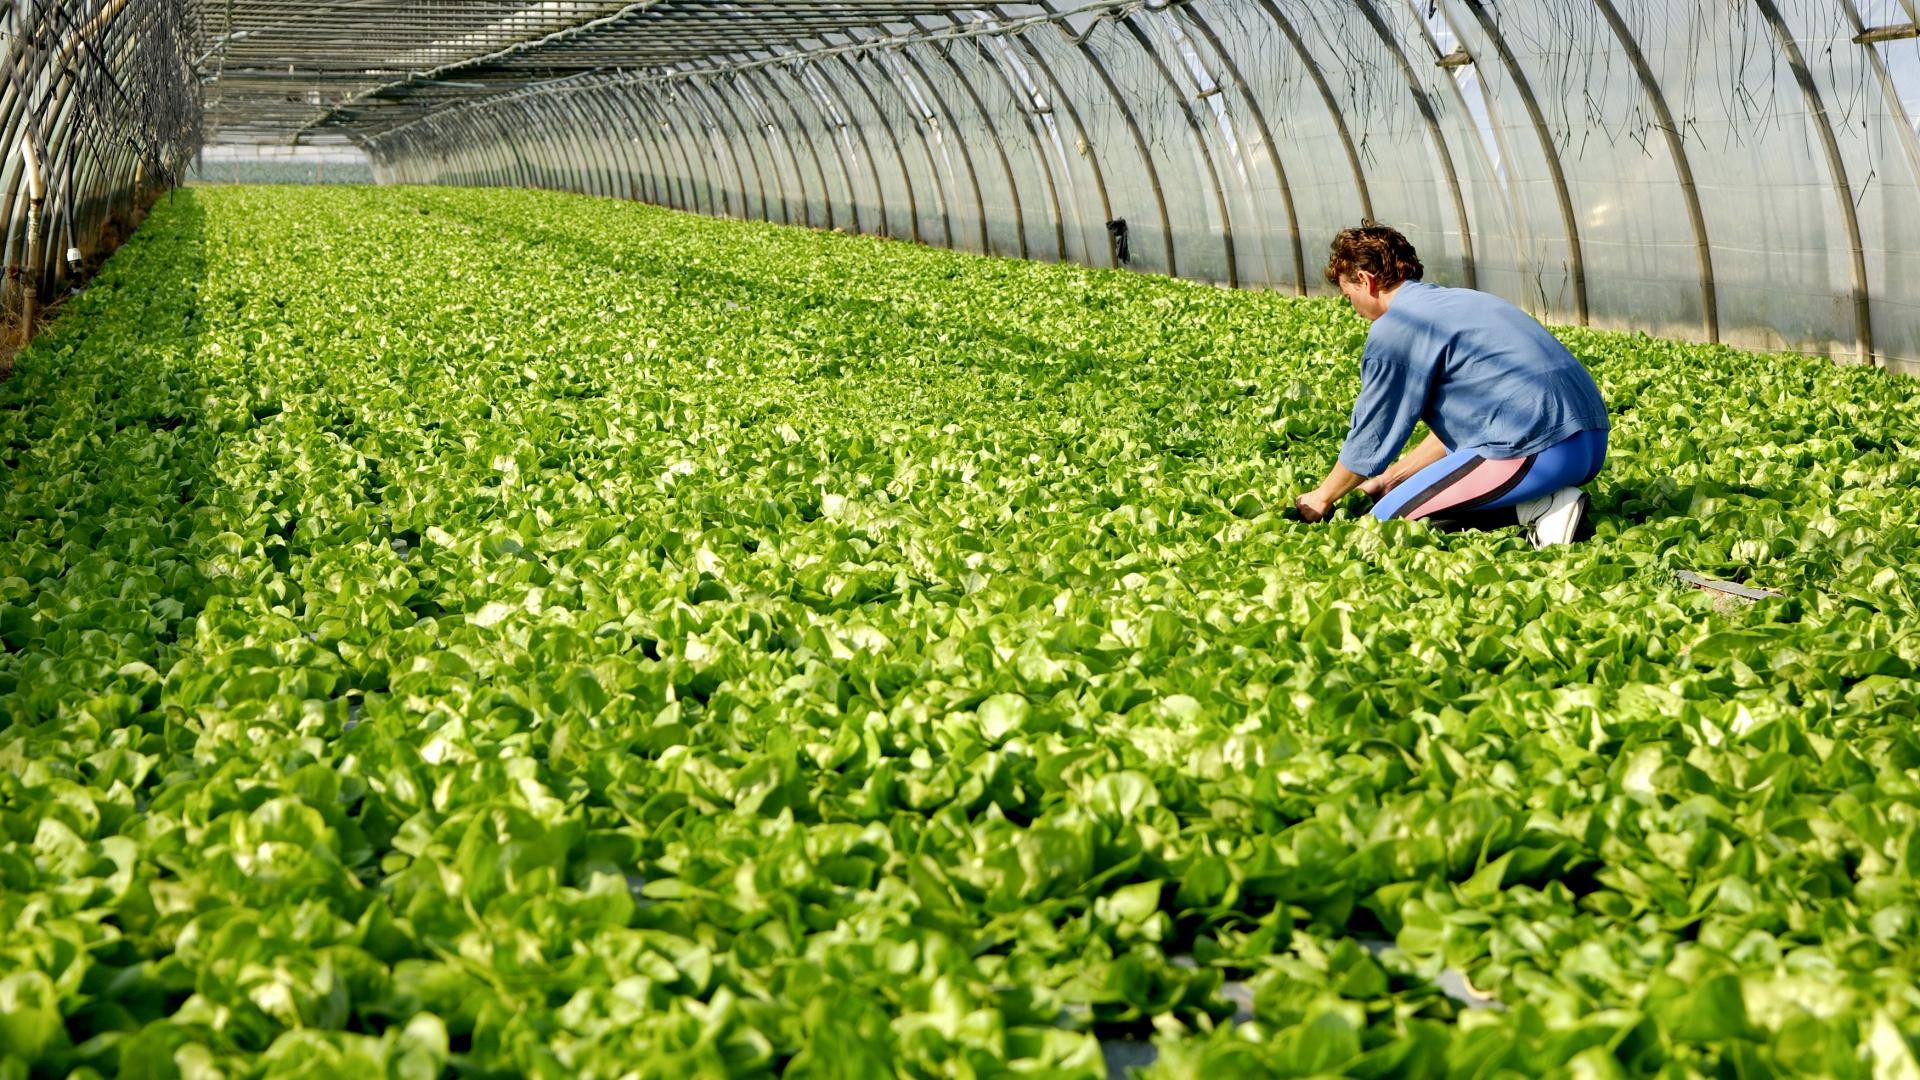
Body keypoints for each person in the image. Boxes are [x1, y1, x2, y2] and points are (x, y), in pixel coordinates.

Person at [1294, 222, 1610, 547]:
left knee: (1384, 524)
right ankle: (1545, 499)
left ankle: (1538, 506)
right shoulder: (1462, 300)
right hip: (1589, 443)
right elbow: (1472, 424)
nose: (1355, 309)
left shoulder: (1397, 326)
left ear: (1365, 280)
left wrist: (1322, 496)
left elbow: (1373, 434)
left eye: (1349, 296)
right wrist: (1392, 478)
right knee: (1397, 496)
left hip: (1536, 452)